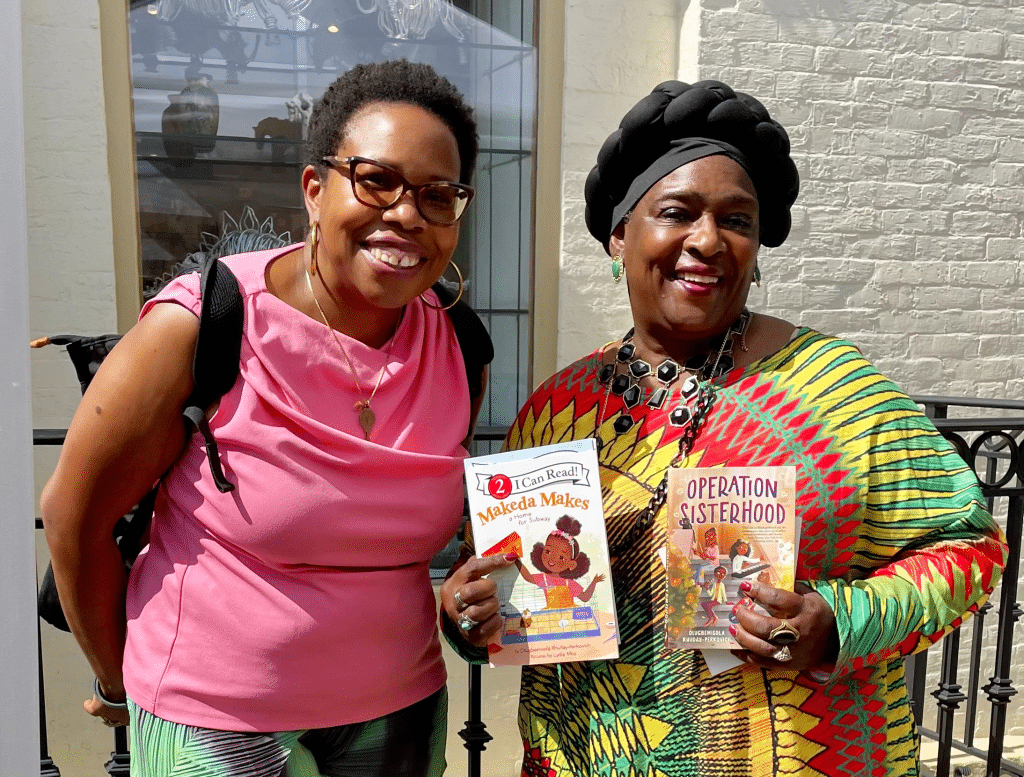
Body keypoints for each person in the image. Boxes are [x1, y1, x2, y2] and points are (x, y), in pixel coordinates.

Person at [440, 80, 1007, 775]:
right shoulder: (558, 410)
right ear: (621, 235)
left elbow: (967, 548)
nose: (707, 240)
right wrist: (468, 617)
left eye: (737, 221)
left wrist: (836, 620)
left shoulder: (839, 392)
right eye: (677, 212)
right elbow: (499, 596)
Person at [41, 59, 486, 777]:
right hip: (216, 725)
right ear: (315, 190)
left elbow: (462, 532)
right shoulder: (201, 324)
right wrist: (118, 679)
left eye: (438, 195)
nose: (407, 213)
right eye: (376, 180)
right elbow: (73, 514)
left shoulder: (461, 348)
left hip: (401, 715)